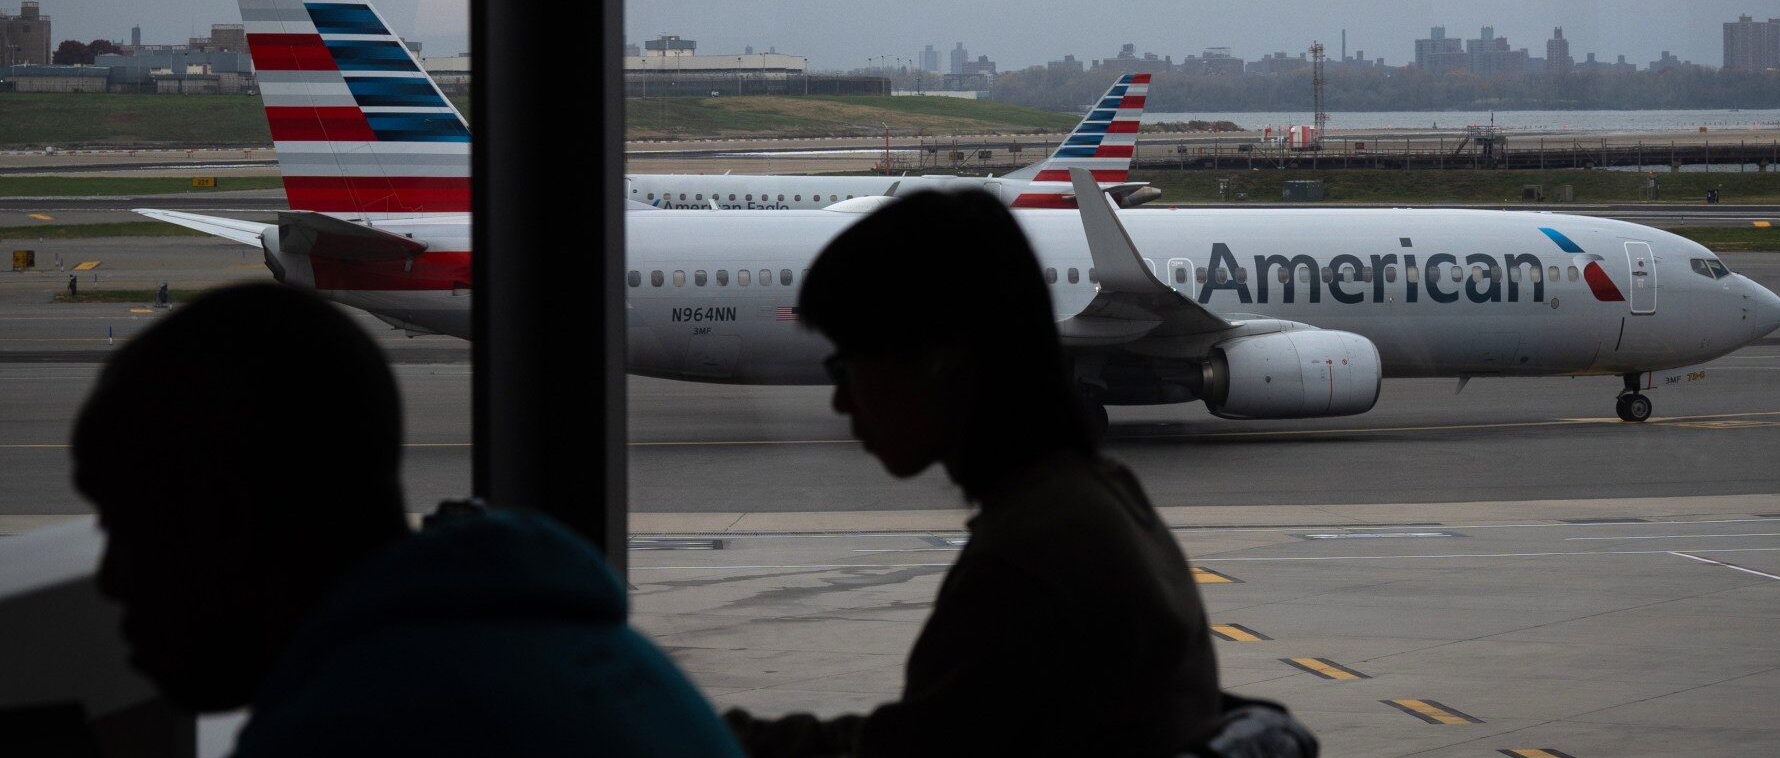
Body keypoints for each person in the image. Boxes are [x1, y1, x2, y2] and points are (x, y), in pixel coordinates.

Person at [71, 282, 742, 758]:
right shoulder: (568, 651)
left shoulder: (362, 725)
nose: (109, 580)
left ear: (233, 520)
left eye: (131, 526)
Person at [724, 190, 1225, 757]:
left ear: (940, 359)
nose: (840, 401)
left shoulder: (1029, 560)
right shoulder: (1096, 501)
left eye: (850, 364)